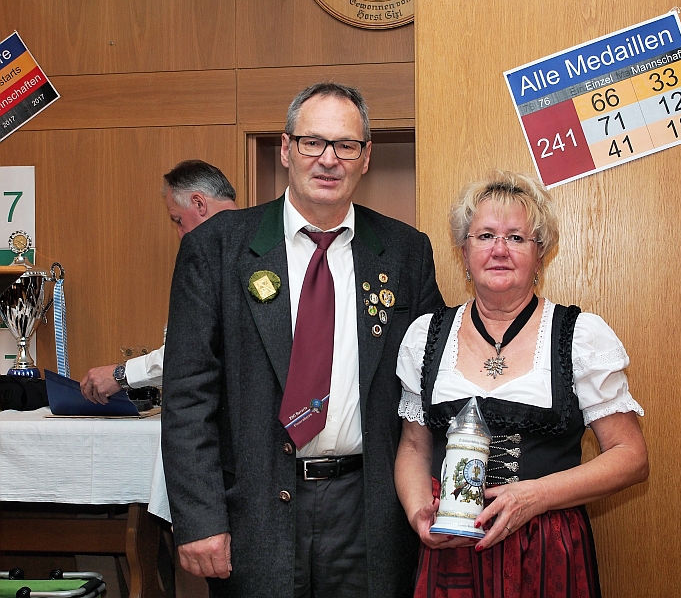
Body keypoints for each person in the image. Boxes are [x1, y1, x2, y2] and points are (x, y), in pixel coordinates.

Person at [161, 82, 444, 597]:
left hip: (371, 514)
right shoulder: (216, 249)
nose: (328, 159)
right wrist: (200, 517)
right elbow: (187, 398)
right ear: (287, 149)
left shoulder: (405, 252)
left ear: (366, 157)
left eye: (346, 145)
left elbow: (430, 387)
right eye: (313, 142)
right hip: (255, 513)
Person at [394, 170, 649, 597]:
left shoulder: (579, 336)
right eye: (485, 236)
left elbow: (631, 456)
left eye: (516, 237)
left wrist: (535, 496)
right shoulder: (426, 336)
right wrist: (419, 511)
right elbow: (414, 448)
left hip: (546, 550)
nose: (499, 250)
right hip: (452, 549)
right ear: (463, 251)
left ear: (540, 253)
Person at [80, 160, 238, 404]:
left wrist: (121, 375)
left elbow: (188, 354)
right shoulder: (261, 247)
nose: (180, 234)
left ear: (199, 203)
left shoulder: (214, 259)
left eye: (178, 220)